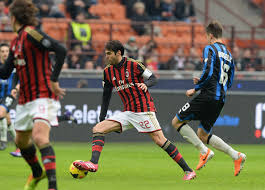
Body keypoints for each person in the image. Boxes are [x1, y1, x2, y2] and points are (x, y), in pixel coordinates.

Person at [73, 40, 196, 181]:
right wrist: (102, 116)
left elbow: (154, 79)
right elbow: (106, 94)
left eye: (108, 54)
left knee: (160, 140)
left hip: (144, 110)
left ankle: (188, 171)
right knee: (98, 128)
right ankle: (93, 164)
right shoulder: (107, 71)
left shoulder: (134, 64)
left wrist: (145, 84)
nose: (106, 57)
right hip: (128, 112)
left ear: (118, 53)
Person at [0, 0, 66, 190]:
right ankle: (37, 172)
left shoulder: (31, 33)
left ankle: (52, 186)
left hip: (43, 94)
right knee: (21, 141)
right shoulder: (15, 42)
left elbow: (60, 49)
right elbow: (5, 72)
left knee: (39, 137)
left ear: (13, 17)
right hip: (25, 99)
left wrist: (54, 80)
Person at [171, 21, 246, 176]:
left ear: (210, 35)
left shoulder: (210, 49)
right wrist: (210, 84)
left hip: (208, 96)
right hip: (220, 98)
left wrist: (197, 88)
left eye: (206, 36)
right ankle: (236, 156)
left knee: (177, 121)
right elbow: (230, 79)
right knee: (203, 134)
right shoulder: (229, 54)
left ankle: (203, 151)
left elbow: (210, 70)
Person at [0, 43, 20, 154]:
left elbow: (20, 78)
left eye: (6, 51)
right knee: (7, 120)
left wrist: (16, 88)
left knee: (1, 113)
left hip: (9, 95)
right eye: (2, 51)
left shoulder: (14, 65)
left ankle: (3, 140)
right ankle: (20, 146)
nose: (4, 54)